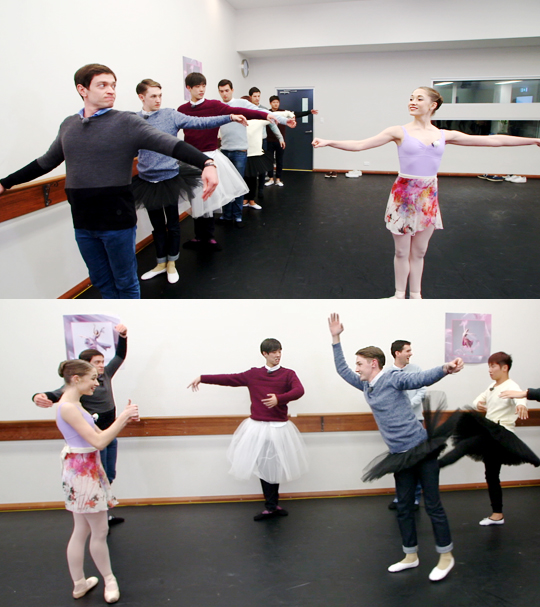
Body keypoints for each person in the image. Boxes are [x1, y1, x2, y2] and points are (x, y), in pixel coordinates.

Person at [0, 64, 218, 299]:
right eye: (102, 85)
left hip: (117, 222)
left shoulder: (126, 122)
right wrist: (6, 182)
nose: (111, 90)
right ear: (82, 89)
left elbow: (169, 144)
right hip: (83, 222)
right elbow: (45, 162)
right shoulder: (69, 125)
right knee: (100, 280)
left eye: (113, 85)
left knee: (125, 282)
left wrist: (206, 163)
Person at [312, 87, 540, 299]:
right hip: (403, 196)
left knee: (420, 251)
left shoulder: (444, 135)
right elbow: (360, 145)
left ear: (433, 105)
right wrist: (329, 141)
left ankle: (416, 295)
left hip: (427, 197)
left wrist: (534, 140)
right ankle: (399, 295)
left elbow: (494, 140)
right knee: (402, 252)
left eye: (419, 98)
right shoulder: (398, 131)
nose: (412, 102)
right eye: (411, 98)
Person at [328, 312, 463, 581]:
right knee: (403, 507)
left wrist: (445, 369)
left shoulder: (393, 378)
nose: (357, 368)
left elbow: (419, 379)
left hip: (420, 450)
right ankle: (410, 555)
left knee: (432, 505)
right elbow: (342, 370)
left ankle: (446, 556)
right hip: (400, 455)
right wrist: (335, 338)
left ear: (373, 364)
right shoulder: (367, 386)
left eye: (360, 364)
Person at [132, 79, 247, 282]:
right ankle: (160, 263)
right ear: (142, 97)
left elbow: (201, 122)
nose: (158, 100)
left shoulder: (170, 114)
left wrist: (229, 117)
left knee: (173, 224)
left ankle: (172, 264)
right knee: (157, 226)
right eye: (153, 96)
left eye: (160, 95)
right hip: (147, 182)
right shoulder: (133, 120)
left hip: (170, 178)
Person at [187, 338, 308, 520]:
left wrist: (279, 399)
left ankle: (273, 505)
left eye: (279, 351)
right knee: (264, 466)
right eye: (274, 352)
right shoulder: (253, 374)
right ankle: (270, 506)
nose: (278, 355)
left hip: (278, 428)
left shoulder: (288, 374)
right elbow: (228, 379)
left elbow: (299, 390)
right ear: (264, 354)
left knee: (274, 466)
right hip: (258, 428)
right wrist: (203, 378)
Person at [55, 359, 139, 603]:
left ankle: (80, 584)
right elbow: (99, 442)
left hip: (85, 469)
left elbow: (99, 436)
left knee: (81, 529)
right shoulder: (68, 407)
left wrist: (122, 420)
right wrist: (122, 417)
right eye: (92, 378)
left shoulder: (74, 405)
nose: (96, 383)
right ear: (76, 378)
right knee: (99, 531)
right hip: (83, 473)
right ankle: (109, 580)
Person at [178, 73, 293, 249]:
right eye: (197, 87)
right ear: (189, 88)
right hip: (191, 158)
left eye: (203, 86)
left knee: (209, 197)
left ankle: (209, 236)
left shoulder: (214, 105)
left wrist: (269, 116)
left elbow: (246, 111)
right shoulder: (182, 110)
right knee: (196, 199)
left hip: (210, 157)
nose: (201, 90)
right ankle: (199, 237)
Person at [34, 323, 128, 528]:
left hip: (108, 434)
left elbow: (120, 356)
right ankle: (99, 516)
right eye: (97, 363)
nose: (102, 366)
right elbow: (58, 393)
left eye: (102, 362)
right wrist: (39, 396)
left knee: (109, 474)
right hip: (94, 437)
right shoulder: (80, 386)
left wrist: (123, 336)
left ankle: (104, 512)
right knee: (99, 474)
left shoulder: (105, 375)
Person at [439, 352, 540, 526]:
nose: (490, 370)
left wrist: (522, 405)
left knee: (466, 445)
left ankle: (434, 466)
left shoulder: (511, 385)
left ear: (504, 368)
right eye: (489, 367)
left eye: (493, 366)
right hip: (490, 433)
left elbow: (519, 398)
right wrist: (479, 403)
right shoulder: (492, 386)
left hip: (501, 434)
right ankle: (497, 514)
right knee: (491, 475)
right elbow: (478, 400)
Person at [216, 79, 289, 223]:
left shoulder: (242, 103)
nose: (224, 94)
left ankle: (237, 216)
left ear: (232, 90)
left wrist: (284, 121)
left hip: (240, 151)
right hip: (224, 150)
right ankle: (226, 215)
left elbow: (262, 111)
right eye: (221, 91)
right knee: (227, 185)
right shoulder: (218, 106)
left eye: (227, 90)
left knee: (239, 184)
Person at [387, 339, 425, 510]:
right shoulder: (387, 373)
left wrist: (408, 405)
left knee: (415, 461)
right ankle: (400, 497)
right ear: (398, 353)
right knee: (399, 463)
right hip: (396, 424)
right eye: (408, 351)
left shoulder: (416, 370)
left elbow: (422, 391)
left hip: (415, 420)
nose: (411, 353)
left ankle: (415, 498)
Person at [266, 95, 318, 187]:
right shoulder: (267, 113)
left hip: (280, 140)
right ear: (270, 103)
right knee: (269, 160)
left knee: (279, 160)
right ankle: (270, 178)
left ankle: (278, 179)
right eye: (274, 102)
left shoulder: (284, 112)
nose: (276, 104)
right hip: (269, 140)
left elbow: (296, 114)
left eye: (277, 102)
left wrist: (309, 112)